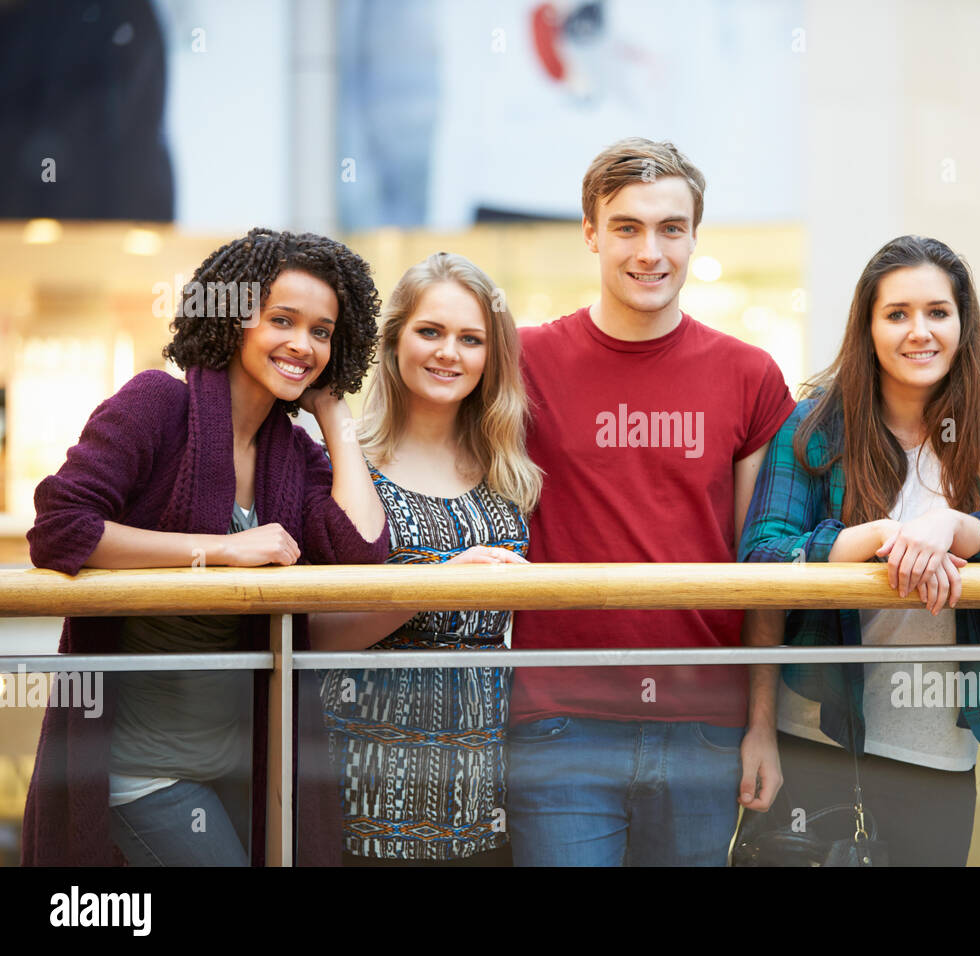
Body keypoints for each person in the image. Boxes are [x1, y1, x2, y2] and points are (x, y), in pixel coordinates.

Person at [22, 228, 389, 866]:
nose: (303, 344)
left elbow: (361, 554)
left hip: (243, 767)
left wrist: (334, 419)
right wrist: (218, 550)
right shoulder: (156, 405)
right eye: (283, 320)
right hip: (144, 776)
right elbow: (60, 528)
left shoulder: (291, 450)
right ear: (233, 319)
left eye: (323, 331)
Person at [505, 137, 796, 866]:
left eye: (671, 228)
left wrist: (762, 724)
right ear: (592, 234)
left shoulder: (749, 376)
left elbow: (760, 569)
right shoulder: (522, 362)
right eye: (628, 227)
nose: (650, 251)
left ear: (695, 237)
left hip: (703, 724)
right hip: (559, 722)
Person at [737, 235, 980, 865]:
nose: (918, 332)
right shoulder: (817, 421)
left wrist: (955, 526)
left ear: (963, 322)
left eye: (937, 312)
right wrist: (870, 540)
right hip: (818, 733)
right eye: (896, 314)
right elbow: (762, 560)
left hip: (939, 747)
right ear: (867, 327)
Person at [313, 253, 540, 866]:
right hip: (367, 769)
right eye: (431, 331)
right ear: (394, 342)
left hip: (485, 774)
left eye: (471, 339)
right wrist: (437, 584)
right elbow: (313, 635)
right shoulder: (341, 461)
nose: (450, 353)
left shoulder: (511, 472)